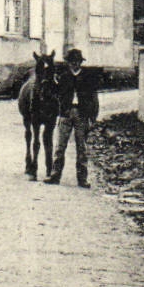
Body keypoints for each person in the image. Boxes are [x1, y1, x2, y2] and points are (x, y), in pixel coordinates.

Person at [47, 48, 99, 187]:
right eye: (72, 62)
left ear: (81, 63)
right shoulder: (63, 77)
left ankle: (82, 179)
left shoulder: (87, 78)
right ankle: (55, 176)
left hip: (81, 114)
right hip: (66, 113)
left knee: (81, 147)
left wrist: (93, 117)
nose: (75, 64)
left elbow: (94, 98)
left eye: (77, 62)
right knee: (60, 146)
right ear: (68, 63)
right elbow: (55, 94)